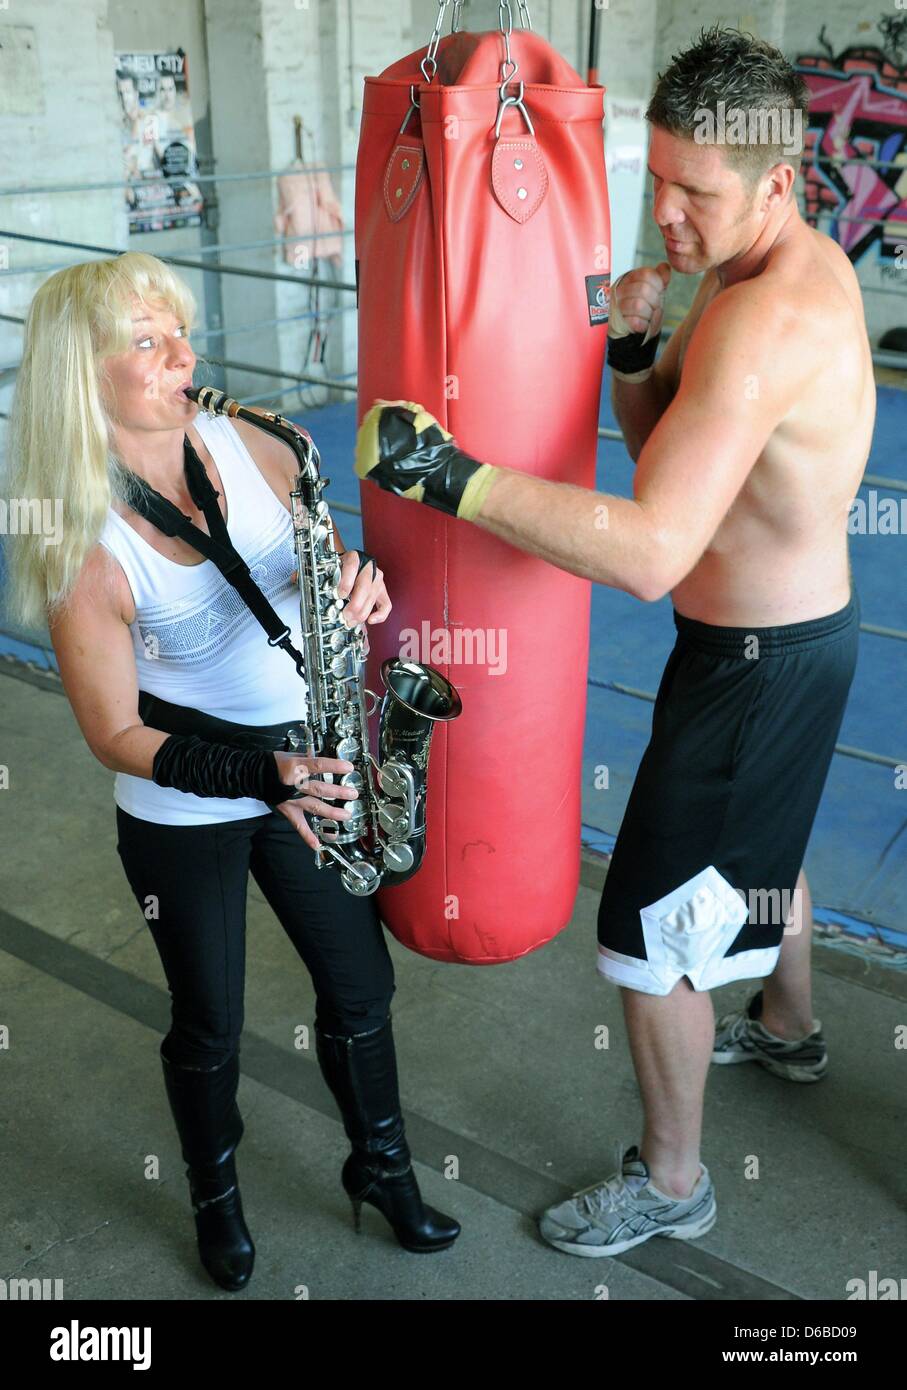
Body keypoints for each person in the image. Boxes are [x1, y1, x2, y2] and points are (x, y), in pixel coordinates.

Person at [354, 26, 873, 1256]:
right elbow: (672, 464)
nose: (667, 218)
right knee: (764, 847)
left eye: (695, 193)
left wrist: (452, 476)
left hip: (753, 669)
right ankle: (790, 1028)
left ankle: (675, 1178)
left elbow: (647, 552)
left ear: (777, 184)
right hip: (791, 649)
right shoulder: (758, 274)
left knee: (647, 940)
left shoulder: (760, 322)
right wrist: (636, 351)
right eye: (653, 183)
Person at [5, 250, 460, 1292]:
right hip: (184, 798)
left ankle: (380, 1165)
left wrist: (357, 582)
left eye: (181, 332)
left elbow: (323, 567)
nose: (187, 355)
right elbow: (113, 732)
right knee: (209, 1017)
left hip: (312, 756)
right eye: (151, 342)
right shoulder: (84, 543)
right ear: (85, 375)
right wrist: (266, 778)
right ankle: (216, 1196)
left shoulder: (261, 441)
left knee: (360, 988)